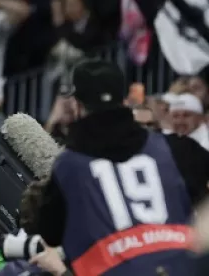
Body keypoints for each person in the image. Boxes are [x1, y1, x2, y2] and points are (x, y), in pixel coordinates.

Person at [37, 59, 209, 276]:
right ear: (126, 100)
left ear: (77, 105)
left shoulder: (68, 168)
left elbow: (50, 233)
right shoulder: (176, 148)